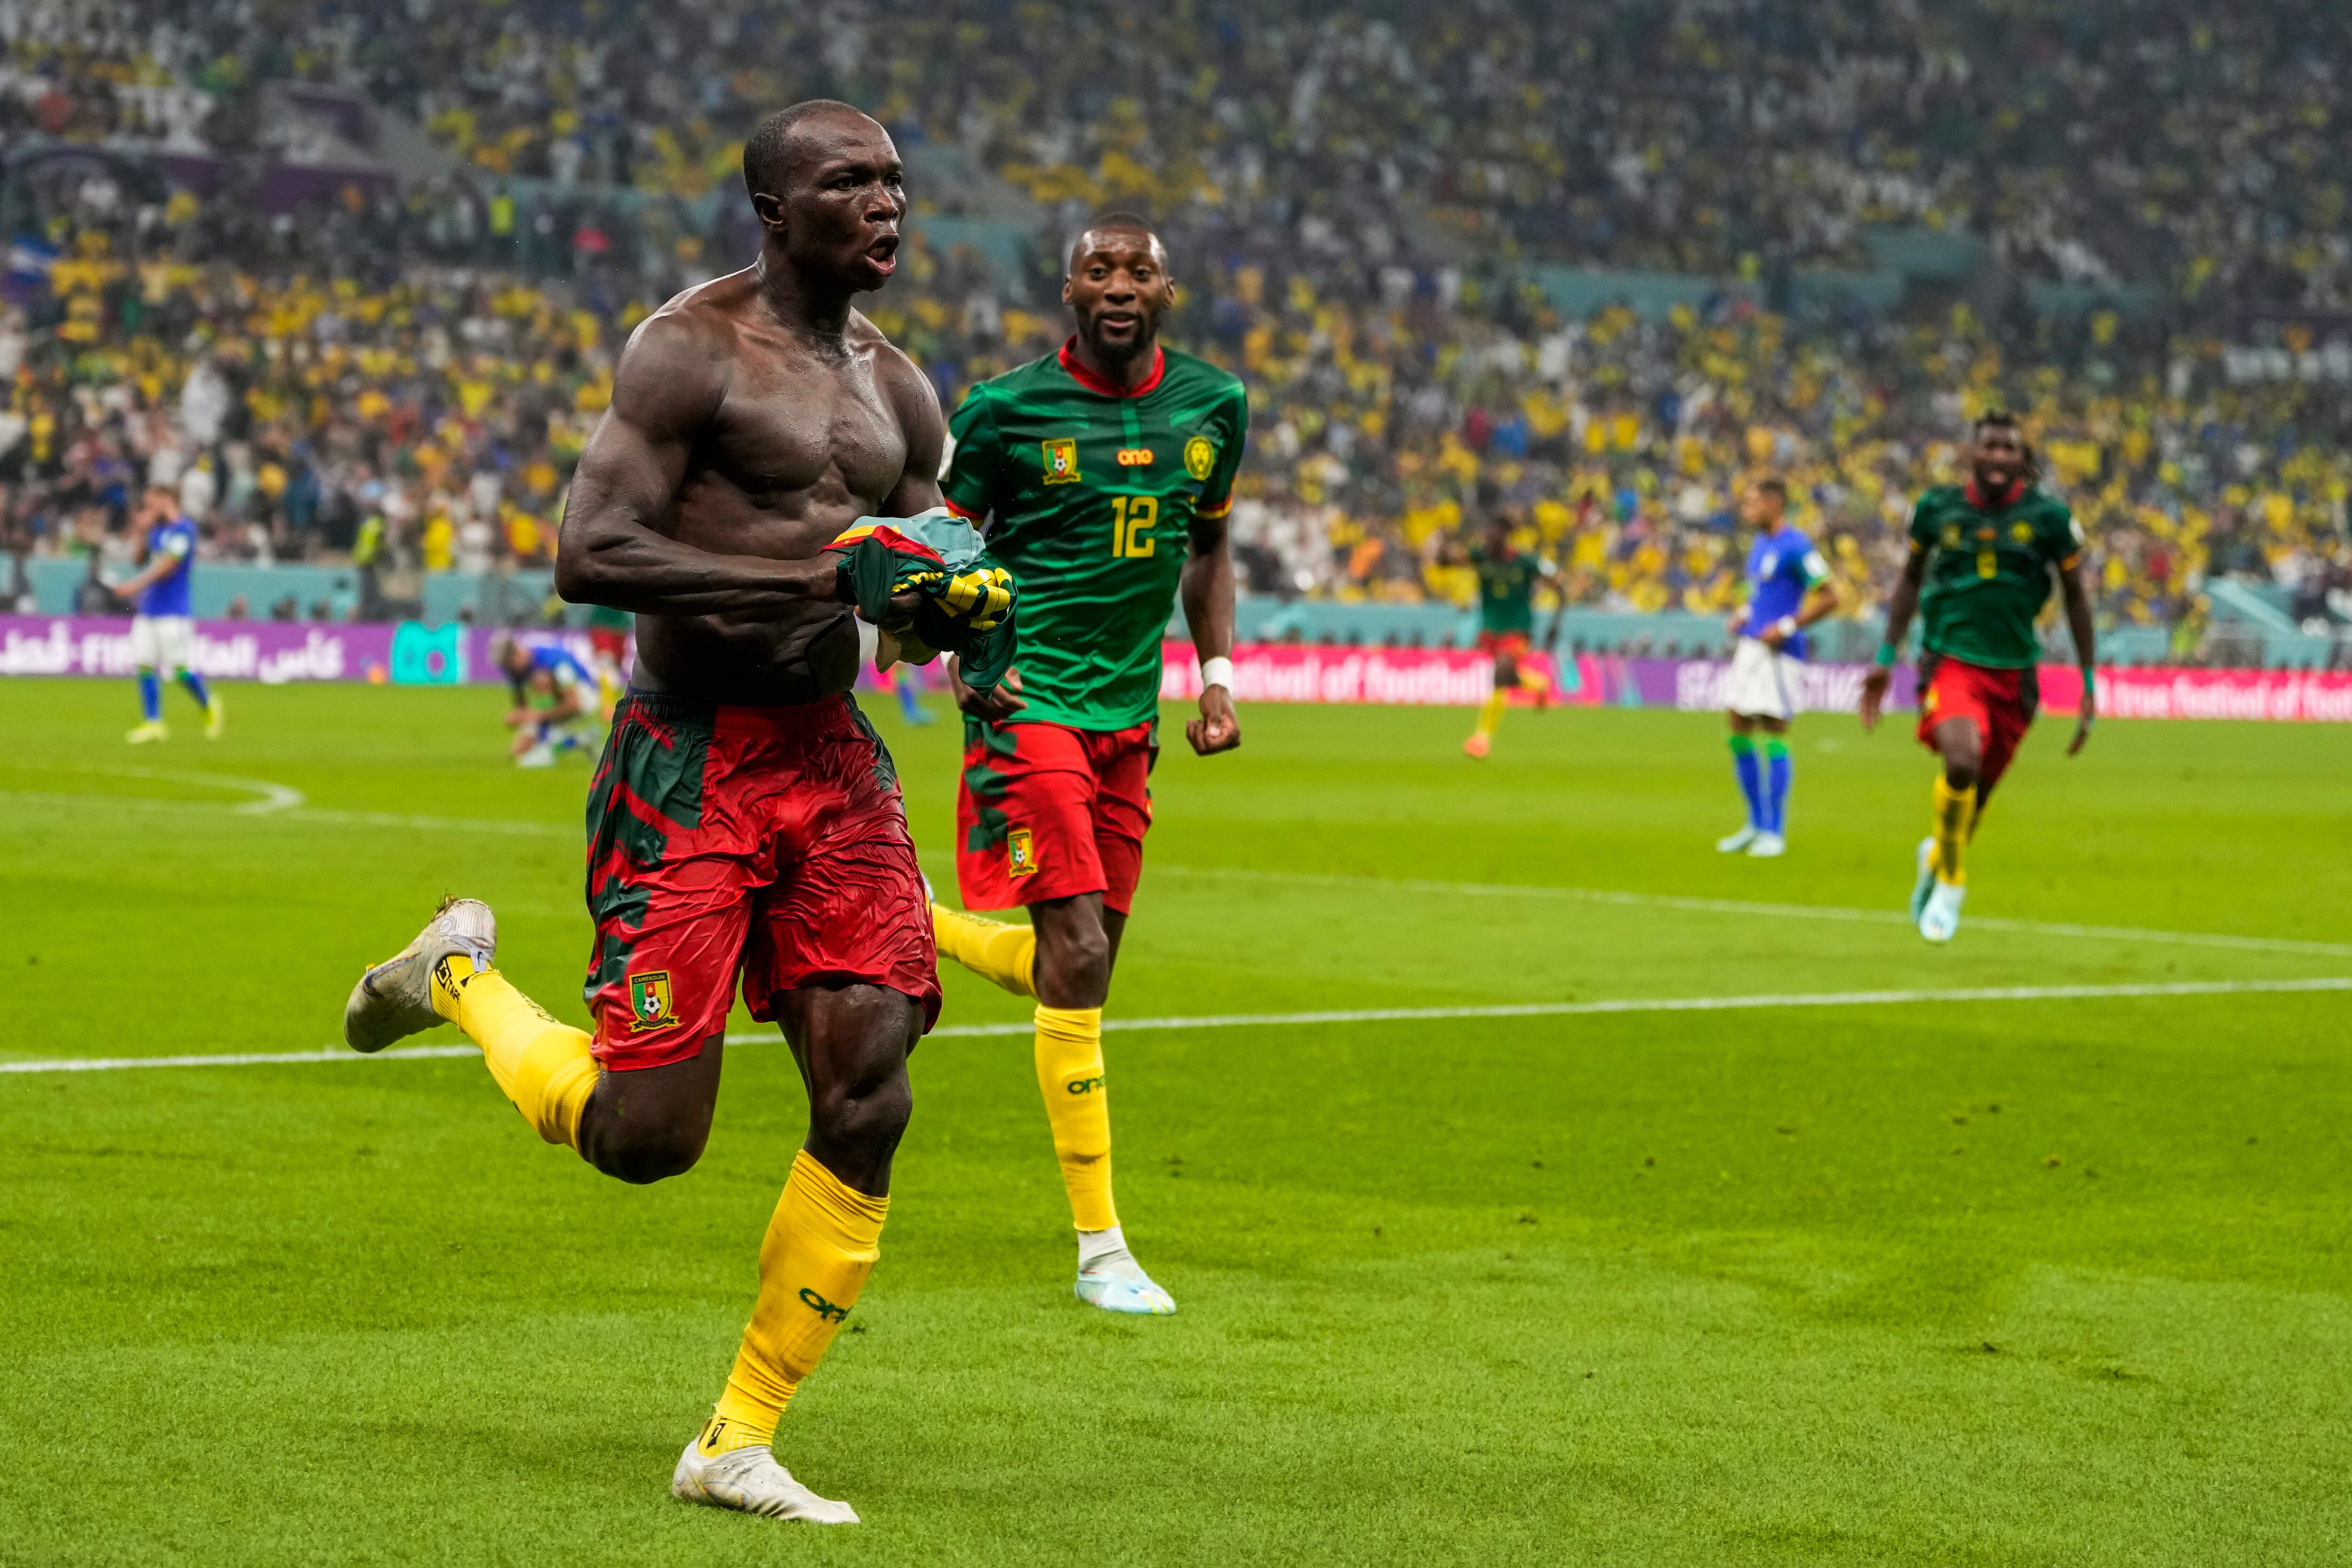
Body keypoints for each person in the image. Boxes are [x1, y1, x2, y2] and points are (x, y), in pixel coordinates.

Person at [340, 101, 1010, 1526]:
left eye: (895, 181)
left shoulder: (904, 392)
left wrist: (963, 614)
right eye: (848, 183)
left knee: (871, 1085)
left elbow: (922, 571)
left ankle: (734, 1437)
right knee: (649, 1136)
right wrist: (825, 582)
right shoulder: (690, 350)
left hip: (830, 762)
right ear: (773, 207)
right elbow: (591, 549)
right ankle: (455, 972)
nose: (884, 204)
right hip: (687, 757)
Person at [927, 214, 1247, 1316]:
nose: (1118, 284)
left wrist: (1215, 675)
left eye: (1138, 271)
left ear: (1169, 291)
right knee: (1074, 947)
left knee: (1091, 957)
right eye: (1098, 269)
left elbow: (1207, 544)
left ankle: (920, 928)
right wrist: (968, 656)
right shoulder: (1004, 411)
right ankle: (1102, 1246)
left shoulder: (1216, 406)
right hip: (1029, 704)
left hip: (1128, 709)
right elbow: (940, 544)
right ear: (1068, 289)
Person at [1860, 412, 2095, 942]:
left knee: (1974, 801)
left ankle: (1938, 857)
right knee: (1960, 762)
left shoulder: (2049, 519)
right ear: (1970, 452)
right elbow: (1908, 580)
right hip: (1951, 660)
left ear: (2020, 459)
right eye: (1988, 446)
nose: (1997, 456)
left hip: (2014, 676)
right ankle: (1951, 881)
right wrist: (1884, 657)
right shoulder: (1935, 510)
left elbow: (2076, 598)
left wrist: (2087, 679)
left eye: (2008, 448)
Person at [1715, 478, 1838, 856]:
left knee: (1774, 729)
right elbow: (1763, 595)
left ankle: (1775, 830)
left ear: (1774, 504)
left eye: (1753, 502)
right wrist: (1745, 614)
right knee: (1737, 726)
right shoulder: (1759, 545)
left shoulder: (1797, 546)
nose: (1747, 509)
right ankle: (1754, 822)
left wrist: (1786, 626)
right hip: (1752, 647)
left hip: (1781, 653)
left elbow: (1831, 596)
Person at [113, 484, 223, 743]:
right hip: (149, 609)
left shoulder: (184, 530)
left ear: (167, 500)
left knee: (180, 671)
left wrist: (134, 584)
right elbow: (139, 560)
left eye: (152, 504)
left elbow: (169, 567)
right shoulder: (158, 530)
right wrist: (141, 533)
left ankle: (209, 703)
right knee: (144, 664)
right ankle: (154, 723)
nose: (148, 509)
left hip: (174, 611)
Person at [1453, 511, 1558, 759]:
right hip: (1490, 629)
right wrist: (1444, 549)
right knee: (1508, 675)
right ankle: (1540, 684)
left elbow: (1557, 582)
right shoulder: (1480, 556)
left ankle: (1481, 738)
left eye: (1494, 532)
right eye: (1487, 532)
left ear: (1505, 536)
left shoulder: (1527, 562)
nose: (1488, 537)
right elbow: (1451, 560)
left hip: (1518, 628)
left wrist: (1556, 622)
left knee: (1501, 673)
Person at [492, 633, 604, 766]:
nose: (508, 669)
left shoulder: (554, 661)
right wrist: (518, 718)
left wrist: (539, 716)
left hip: (585, 695)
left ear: (518, 655)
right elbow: (522, 708)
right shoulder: (514, 670)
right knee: (518, 754)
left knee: (536, 758)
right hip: (554, 704)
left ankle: (573, 740)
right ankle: (580, 739)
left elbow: (574, 704)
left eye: (508, 664)